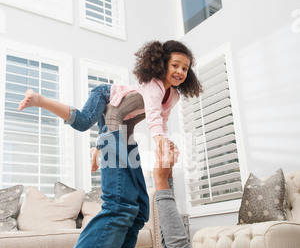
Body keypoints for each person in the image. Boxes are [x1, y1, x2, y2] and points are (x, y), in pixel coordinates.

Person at [53, 121, 262, 248]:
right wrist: (168, 178)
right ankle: (125, 131)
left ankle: (111, 124)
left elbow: (179, 247)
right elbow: (171, 245)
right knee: (139, 212)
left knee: (120, 207)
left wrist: (160, 180)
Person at [17, 40, 202, 172]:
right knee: (83, 122)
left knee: (115, 134)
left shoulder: (174, 95)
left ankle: (96, 151)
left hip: (119, 113)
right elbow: (153, 115)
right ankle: (39, 100)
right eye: (175, 65)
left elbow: (163, 119)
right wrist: (159, 141)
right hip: (106, 95)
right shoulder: (154, 86)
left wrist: (165, 140)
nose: (180, 71)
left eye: (185, 68)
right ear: (162, 65)